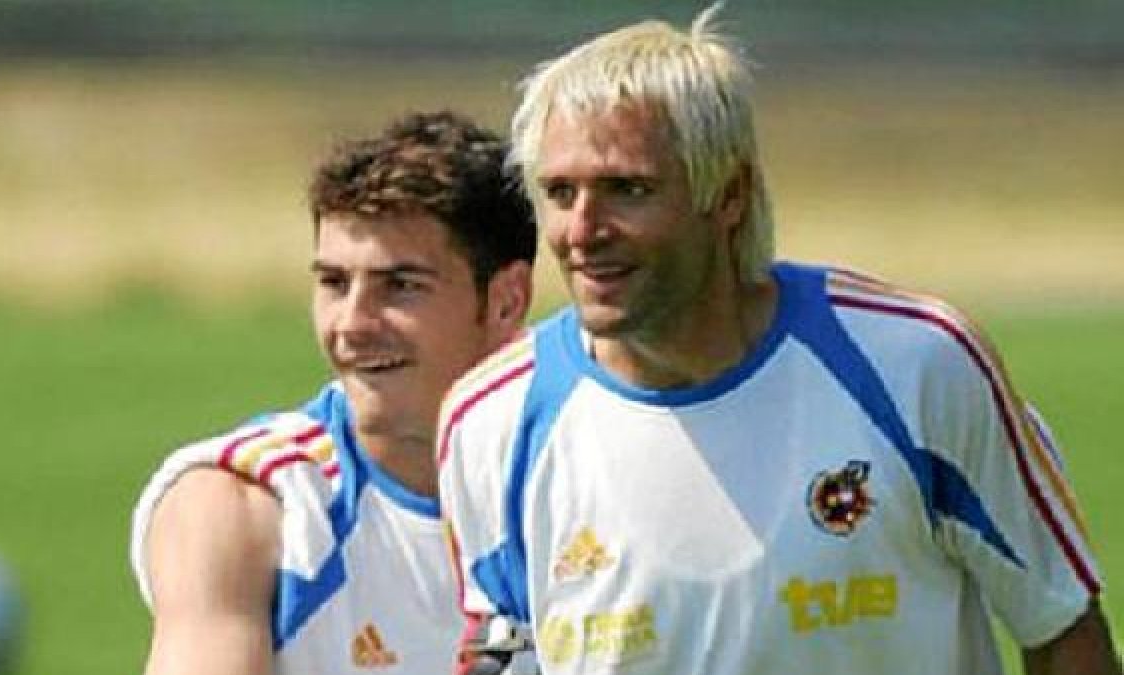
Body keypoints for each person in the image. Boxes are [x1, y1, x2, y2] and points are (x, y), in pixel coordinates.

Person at [436, 7, 1121, 675]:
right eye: (560, 193)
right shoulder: (492, 423)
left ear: (728, 194)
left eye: (627, 189)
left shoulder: (915, 367)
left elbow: (1062, 627)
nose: (583, 231)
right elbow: (501, 655)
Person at [130, 110, 535, 675]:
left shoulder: (587, 470)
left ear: (506, 301)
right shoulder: (241, 507)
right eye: (334, 283)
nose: (352, 325)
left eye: (401, 286)